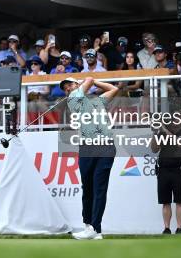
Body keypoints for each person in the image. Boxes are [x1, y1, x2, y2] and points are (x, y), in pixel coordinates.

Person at [61, 77, 118, 240]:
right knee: (88, 188)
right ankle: (89, 226)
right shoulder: (73, 99)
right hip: (87, 147)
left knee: (100, 188)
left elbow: (113, 88)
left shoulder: (97, 102)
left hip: (105, 146)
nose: (67, 89)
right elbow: (90, 79)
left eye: (69, 85)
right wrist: (85, 82)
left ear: (77, 85)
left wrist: (94, 82)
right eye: (65, 88)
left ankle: (95, 228)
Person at [150, 112, 181, 234]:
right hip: (163, 170)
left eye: (179, 120)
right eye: (174, 119)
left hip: (178, 170)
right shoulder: (162, 133)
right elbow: (154, 149)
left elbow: (180, 144)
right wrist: (156, 132)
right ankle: (167, 228)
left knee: (179, 200)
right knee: (165, 201)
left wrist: (164, 129)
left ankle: (179, 228)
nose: (175, 122)